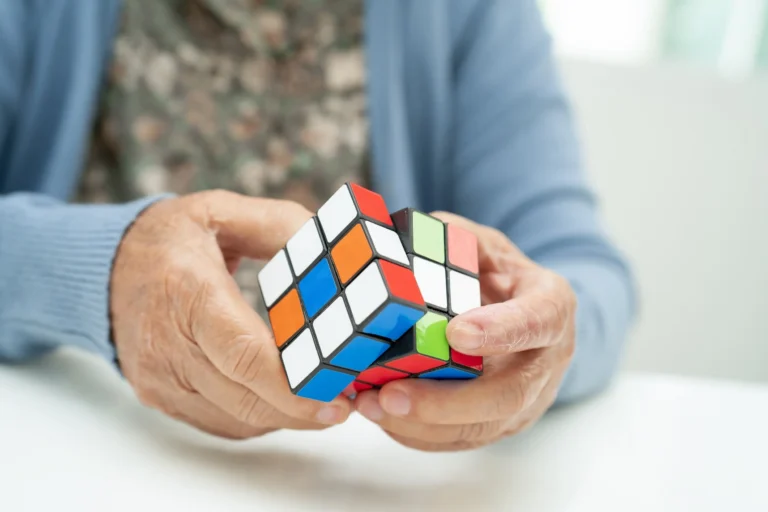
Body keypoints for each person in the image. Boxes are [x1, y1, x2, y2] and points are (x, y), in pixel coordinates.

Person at [0, 0, 636, 452]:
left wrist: (534, 338)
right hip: (79, 446)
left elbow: (580, 268)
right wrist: (103, 271)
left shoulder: (474, 10)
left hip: (357, 485)